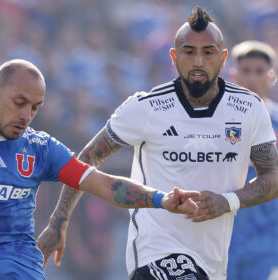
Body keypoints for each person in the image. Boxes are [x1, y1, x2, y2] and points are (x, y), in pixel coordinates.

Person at [0, 59, 200, 280]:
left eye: (35, 107)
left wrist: (162, 199)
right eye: (19, 102)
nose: (26, 115)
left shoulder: (39, 147)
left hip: (23, 270)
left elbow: (104, 184)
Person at [37, 7, 278, 280]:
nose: (198, 61)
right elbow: (87, 159)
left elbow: (272, 177)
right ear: (174, 57)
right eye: (189, 51)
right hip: (157, 253)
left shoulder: (249, 109)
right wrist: (59, 220)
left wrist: (229, 201)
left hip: (216, 260)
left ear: (222, 58)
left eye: (208, 52)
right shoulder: (147, 106)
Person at [228, 40, 278, 279]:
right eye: (246, 71)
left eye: (259, 72)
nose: (252, 78)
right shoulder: (216, 121)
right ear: (234, 75)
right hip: (223, 235)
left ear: (271, 77)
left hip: (268, 241)